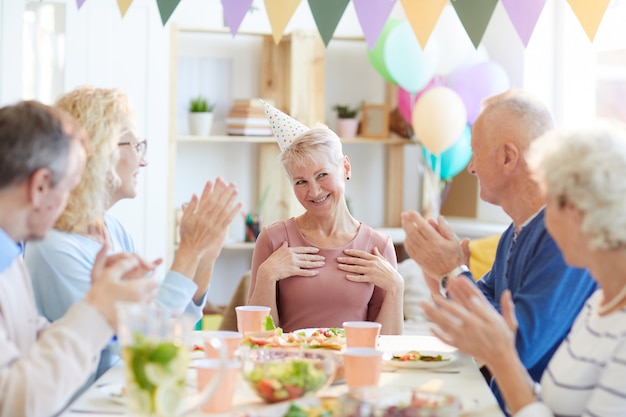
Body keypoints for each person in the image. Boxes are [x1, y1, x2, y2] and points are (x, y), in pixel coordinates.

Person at [24, 86, 241, 377]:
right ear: (99, 151)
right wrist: (188, 251)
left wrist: (205, 256)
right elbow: (133, 350)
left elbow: (170, 327)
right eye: (134, 145)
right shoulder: (53, 248)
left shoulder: (112, 229)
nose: (143, 160)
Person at [401, 89, 597, 410]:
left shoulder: (565, 237)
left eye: (475, 153)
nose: (471, 167)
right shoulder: (513, 232)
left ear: (507, 157)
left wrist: (453, 272)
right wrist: (448, 273)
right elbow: (482, 313)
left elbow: (515, 347)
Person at [422, 120, 626, 417]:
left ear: (577, 214)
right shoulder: (599, 305)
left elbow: (521, 349)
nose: (544, 218)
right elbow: (553, 404)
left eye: (550, 201)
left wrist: (503, 357)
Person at [0, 100, 160, 417]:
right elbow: (15, 402)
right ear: (41, 186)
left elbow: (27, 339)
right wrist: (97, 311)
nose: (70, 205)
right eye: (70, 188)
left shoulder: (12, 257)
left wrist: (105, 306)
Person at [247, 102, 404, 334]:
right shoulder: (273, 239)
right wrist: (266, 275)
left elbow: (388, 345)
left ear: (346, 168)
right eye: (301, 181)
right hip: (291, 367)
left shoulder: (378, 247)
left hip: (351, 367)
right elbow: (256, 336)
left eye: (322, 175)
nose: (315, 191)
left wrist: (396, 287)